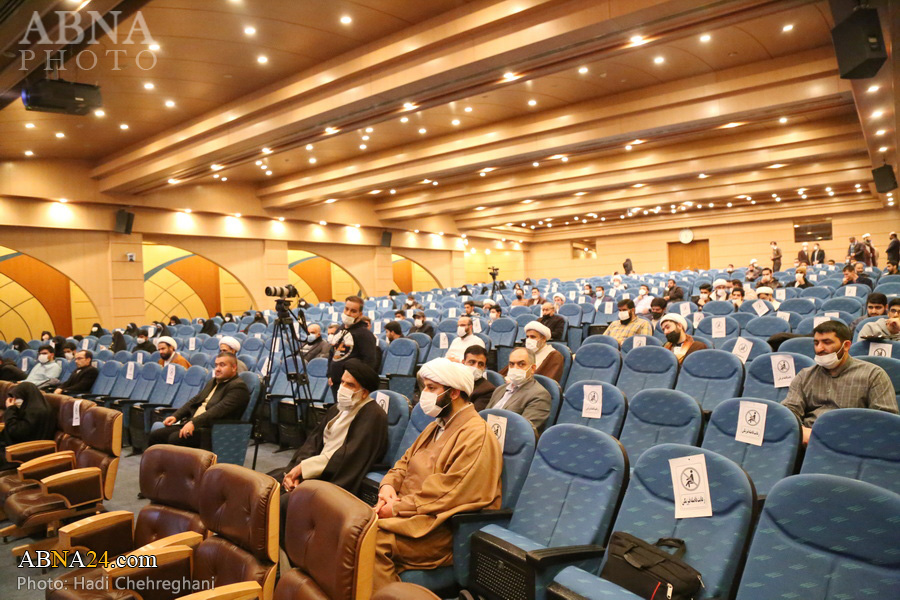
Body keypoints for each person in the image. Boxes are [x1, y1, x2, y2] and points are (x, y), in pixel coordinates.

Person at [373, 358, 502, 590]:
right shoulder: (437, 425)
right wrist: (388, 487)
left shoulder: (476, 434)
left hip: (436, 528)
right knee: (352, 529)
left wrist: (396, 508)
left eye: (432, 388)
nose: (425, 394)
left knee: (371, 542)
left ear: (454, 393)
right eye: (425, 387)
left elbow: (450, 492)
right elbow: (404, 462)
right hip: (409, 514)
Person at [274, 359, 388, 541]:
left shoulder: (373, 414)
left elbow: (349, 456)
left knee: (284, 503)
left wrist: (304, 469)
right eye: (342, 382)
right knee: (268, 484)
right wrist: (295, 470)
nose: (343, 388)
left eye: (350, 385)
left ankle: (281, 553)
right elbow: (313, 442)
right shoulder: (338, 408)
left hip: (334, 476)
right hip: (314, 468)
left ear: (365, 392)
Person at [781, 321, 897, 444]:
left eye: (827, 342)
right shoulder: (805, 375)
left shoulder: (873, 375)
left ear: (846, 345)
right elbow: (789, 411)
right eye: (816, 343)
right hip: (808, 440)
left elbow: (885, 421)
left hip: (852, 442)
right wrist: (800, 430)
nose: (819, 348)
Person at [149, 353, 250, 448]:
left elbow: (217, 410)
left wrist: (193, 423)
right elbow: (195, 400)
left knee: (175, 438)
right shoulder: (213, 381)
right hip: (196, 424)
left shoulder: (238, 387)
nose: (217, 369)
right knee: (156, 435)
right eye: (216, 365)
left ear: (234, 368)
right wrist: (176, 416)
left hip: (213, 430)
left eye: (222, 365)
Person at [487, 347, 552, 434]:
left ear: (532, 368)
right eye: (511, 364)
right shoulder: (500, 389)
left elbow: (523, 431)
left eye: (521, 364)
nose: (515, 368)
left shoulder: (539, 395)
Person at [328, 295, 379, 401]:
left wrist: (358, 382)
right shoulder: (340, 329)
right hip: (336, 382)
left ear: (360, 314)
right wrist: (329, 374)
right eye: (346, 309)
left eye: (353, 311)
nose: (348, 313)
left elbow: (369, 362)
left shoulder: (365, 334)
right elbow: (332, 352)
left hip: (352, 385)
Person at [1, 382, 55, 469]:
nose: (14, 401)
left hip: (22, 452)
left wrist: (11, 409)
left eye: (17, 398)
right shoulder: (32, 408)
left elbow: (14, 431)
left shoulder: (36, 412)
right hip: (15, 447)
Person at [461, 346, 495, 411]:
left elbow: (473, 414)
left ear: (484, 367)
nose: (476, 367)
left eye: (480, 364)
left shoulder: (487, 390)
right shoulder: (453, 381)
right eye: (472, 362)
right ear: (463, 363)